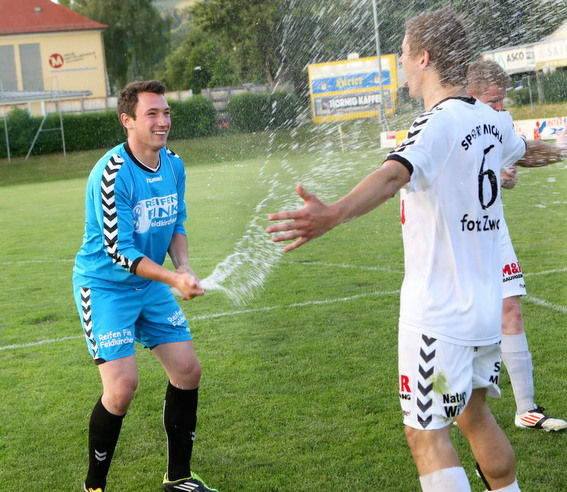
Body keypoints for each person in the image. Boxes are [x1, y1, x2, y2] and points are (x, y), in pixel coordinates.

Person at [267, 8, 524, 492]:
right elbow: (524, 150)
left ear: (424, 58)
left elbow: (392, 175)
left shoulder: (436, 124)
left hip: (439, 319)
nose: (401, 62)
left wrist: (332, 214)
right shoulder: (490, 120)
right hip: (484, 314)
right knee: (472, 412)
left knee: (425, 434)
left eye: (403, 53)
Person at [72, 80, 217, 492]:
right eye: (151, 114)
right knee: (121, 389)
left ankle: (178, 478)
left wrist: (184, 266)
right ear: (128, 121)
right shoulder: (111, 173)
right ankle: (94, 486)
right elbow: (120, 252)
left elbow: (177, 223)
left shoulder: (174, 164)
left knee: (188, 371)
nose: (162, 121)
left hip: (150, 286)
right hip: (105, 287)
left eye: (166, 113)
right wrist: (172, 278)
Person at [467, 59, 567, 432]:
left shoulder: (500, 123)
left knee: (511, 309)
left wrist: (561, 154)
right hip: (459, 237)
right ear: (470, 94)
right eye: (493, 100)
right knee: (465, 323)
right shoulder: (452, 123)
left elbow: (522, 155)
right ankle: (447, 404)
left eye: (503, 100)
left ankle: (526, 409)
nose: (500, 107)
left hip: (495, 231)